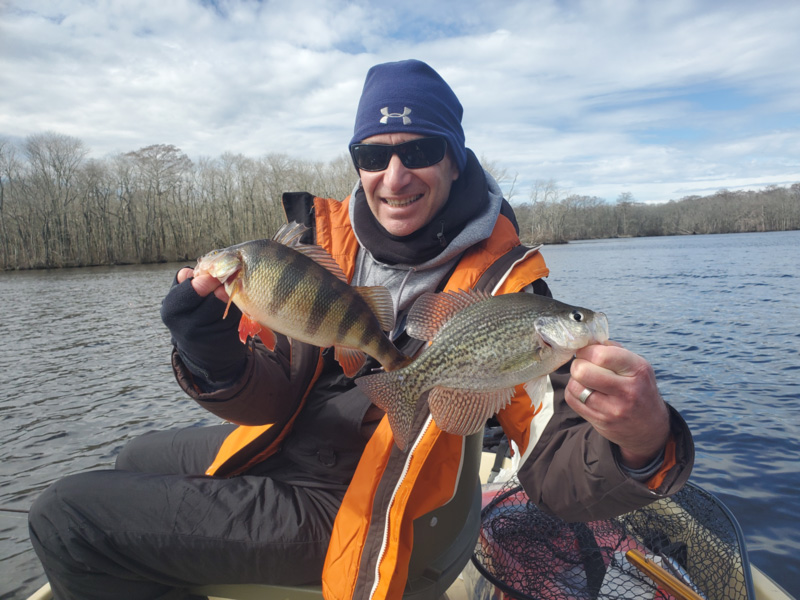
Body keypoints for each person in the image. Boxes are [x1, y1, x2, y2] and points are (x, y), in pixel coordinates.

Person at [29, 59, 693, 600]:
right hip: (305, 444)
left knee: (65, 516)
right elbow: (271, 397)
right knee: (133, 456)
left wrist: (639, 442)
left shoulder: (510, 293)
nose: (393, 175)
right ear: (357, 163)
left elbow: (553, 466)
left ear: (455, 159)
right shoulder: (312, 244)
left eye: (420, 150)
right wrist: (208, 350)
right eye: (372, 154)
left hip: (383, 504)